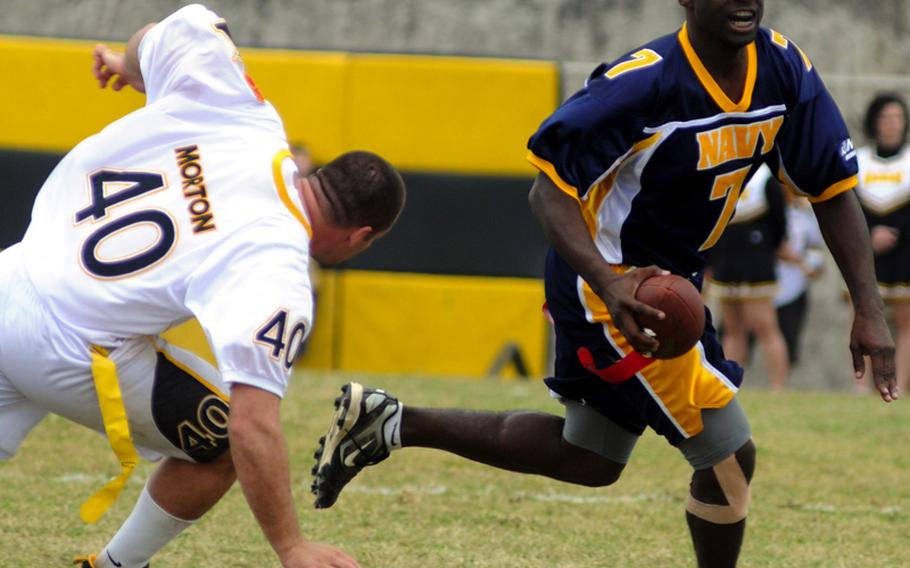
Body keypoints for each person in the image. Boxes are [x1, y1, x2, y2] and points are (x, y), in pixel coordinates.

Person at [310, 2, 897, 567]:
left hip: (671, 280)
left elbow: (833, 190)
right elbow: (548, 191)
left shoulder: (784, 68)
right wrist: (609, 285)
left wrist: (869, 310)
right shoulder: (641, 83)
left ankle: (390, 422)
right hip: (614, 285)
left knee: (591, 454)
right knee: (729, 454)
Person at [0, 4, 405, 568]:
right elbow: (252, 424)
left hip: (14, 274)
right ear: (360, 235)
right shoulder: (279, 265)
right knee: (219, 445)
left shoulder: (245, 112)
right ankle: (118, 565)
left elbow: (175, 26)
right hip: (69, 343)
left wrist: (130, 63)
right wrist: (291, 546)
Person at [707, 164, 790, 390]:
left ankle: (778, 387)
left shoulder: (766, 179)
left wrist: (769, 249)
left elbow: (779, 224)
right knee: (732, 329)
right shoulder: (720, 175)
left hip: (757, 262)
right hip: (724, 260)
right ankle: (732, 385)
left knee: (765, 325)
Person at [855, 93, 910, 393]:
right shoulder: (859, 161)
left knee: (905, 323)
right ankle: (861, 388)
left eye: (898, 118)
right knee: (861, 315)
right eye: (886, 118)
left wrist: (895, 233)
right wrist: (870, 235)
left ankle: (897, 385)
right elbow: (849, 207)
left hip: (904, 252)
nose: (892, 125)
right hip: (866, 252)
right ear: (875, 123)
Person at [775, 189, 826, 366]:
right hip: (761, 282)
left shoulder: (803, 217)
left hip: (794, 285)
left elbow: (815, 250)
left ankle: (779, 389)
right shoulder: (764, 212)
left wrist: (810, 265)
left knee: (789, 339)